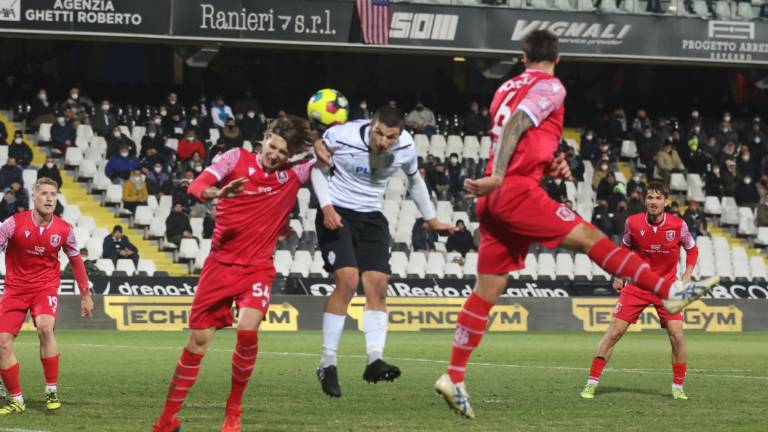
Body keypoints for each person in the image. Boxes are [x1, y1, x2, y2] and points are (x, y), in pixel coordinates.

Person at [434, 30, 718, 420]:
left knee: (488, 288)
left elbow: (521, 134)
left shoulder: (504, 88)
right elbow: (519, 122)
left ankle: (454, 375)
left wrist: (548, 162)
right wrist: (502, 175)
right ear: (559, 57)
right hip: (513, 190)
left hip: (492, 201)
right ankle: (669, 290)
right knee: (590, 237)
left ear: (522, 55)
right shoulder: (550, 84)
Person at [151, 116, 315, 432]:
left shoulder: (293, 174)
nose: (275, 155)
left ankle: (233, 410)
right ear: (265, 139)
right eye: (273, 146)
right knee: (197, 343)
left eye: (283, 152)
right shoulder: (235, 158)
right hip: (219, 266)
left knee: (247, 331)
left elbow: (326, 156)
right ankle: (167, 419)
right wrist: (217, 194)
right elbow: (198, 185)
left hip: (258, 269)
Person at [311, 106, 454, 398]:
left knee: (378, 286)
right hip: (337, 212)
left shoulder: (405, 147)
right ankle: (327, 362)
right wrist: (326, 206)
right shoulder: (343, 135)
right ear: (370, 125)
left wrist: (431, 219)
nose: (383, 142)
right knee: (349, 281)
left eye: (391, 137)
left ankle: (374, 360)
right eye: (379, 133)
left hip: (372, 217)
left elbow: (415, 181)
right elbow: (317, 169)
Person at [580, 182, 699, 400]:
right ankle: (591, 383)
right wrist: (618, 275)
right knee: (614, 332)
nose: (653, 202)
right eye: (650, 198)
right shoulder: (632, 223)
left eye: (658, 198)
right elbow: (625, 248)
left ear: (665, 201)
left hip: (666, 288)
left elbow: (692, 249)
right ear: (645, 200)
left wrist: (688, 273)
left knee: (677, 336)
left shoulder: (678, 225)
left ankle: (678, 387)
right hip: (637, 285)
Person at [0, 177, 93, 415]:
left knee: (44, 328)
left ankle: (51, 390)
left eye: (53, 194)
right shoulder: (12, 224)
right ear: (34, 197)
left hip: (45, 287)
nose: (49, 198)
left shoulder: (64, 229)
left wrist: (85, 294)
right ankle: (16, 399)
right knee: (1, 343)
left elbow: (75, 260)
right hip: (15, 289)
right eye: (44, 193)